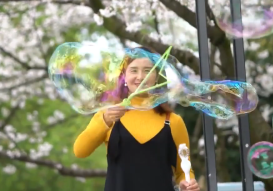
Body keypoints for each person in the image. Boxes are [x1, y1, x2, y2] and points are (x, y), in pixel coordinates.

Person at [73, 47, 200, 191]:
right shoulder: (109, 115)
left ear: (156, 76)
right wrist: (104, 120)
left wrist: (186, 183)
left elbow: (183, 170)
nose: (140, 77)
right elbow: (80, 151)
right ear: (124, 76)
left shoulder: (173, 121)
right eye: (134, 70)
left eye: (147, 70)